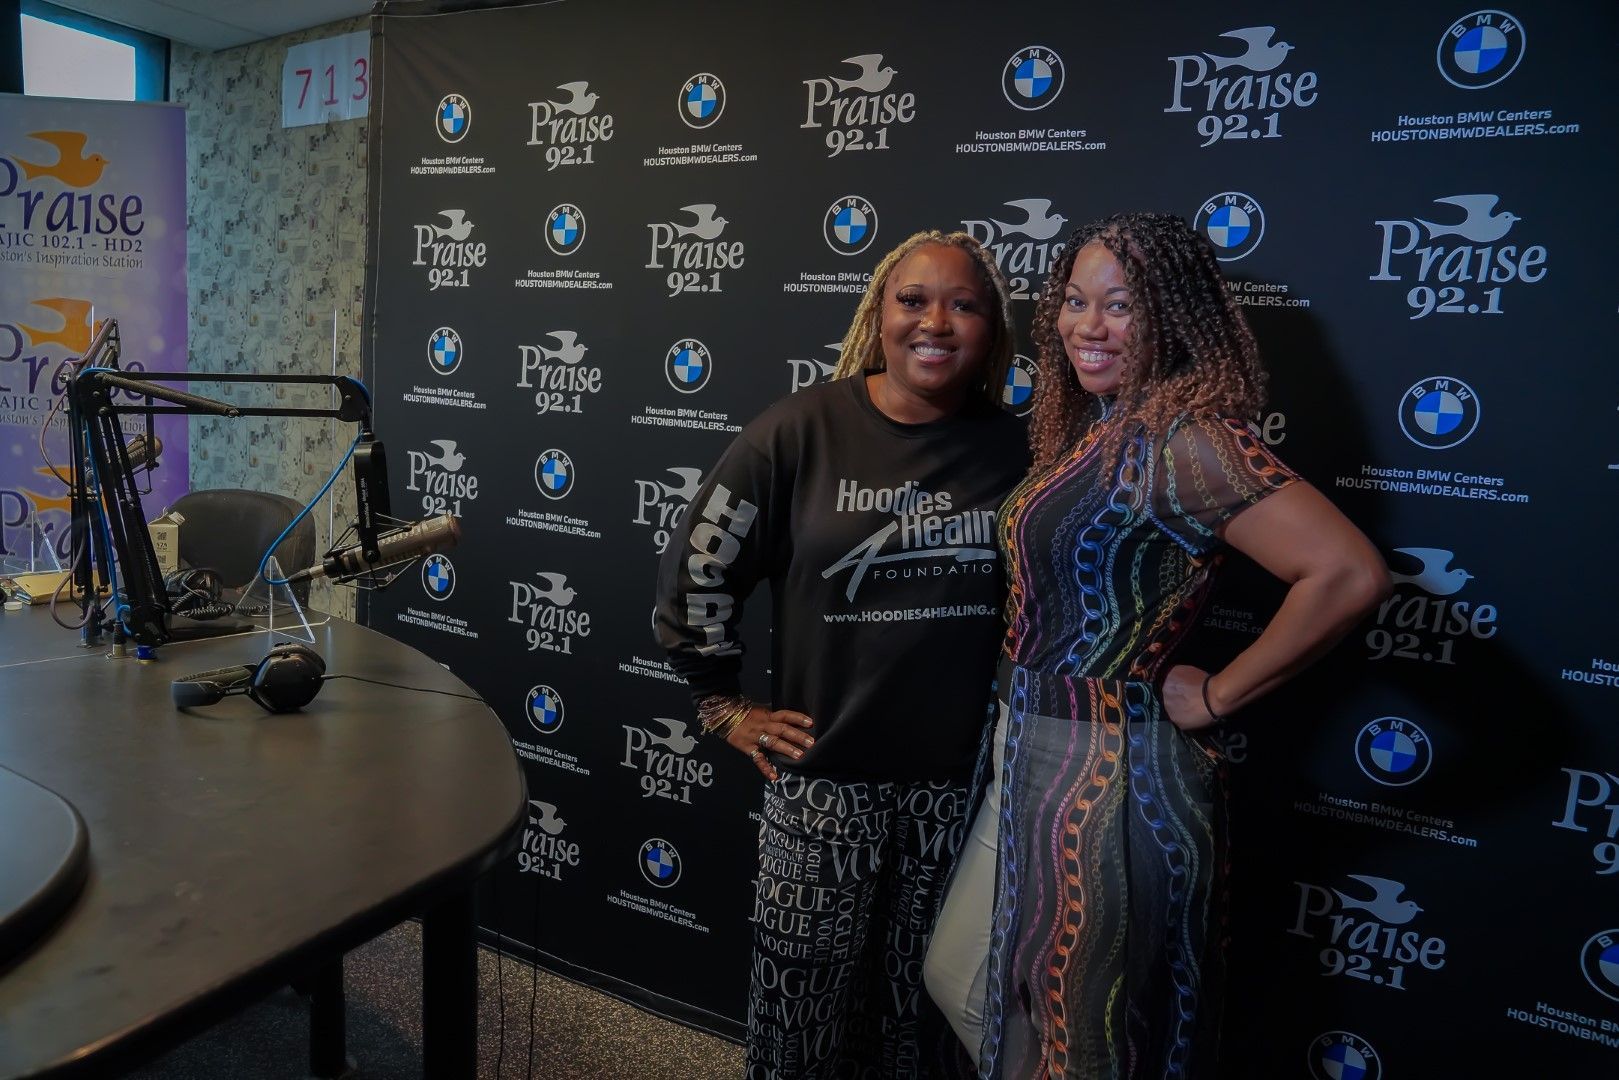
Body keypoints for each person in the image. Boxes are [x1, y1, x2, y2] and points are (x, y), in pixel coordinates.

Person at [921, 212, 1391, 1078]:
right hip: (1028, 749)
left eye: (1120, 306)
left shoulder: (1187, 441)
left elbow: (1346, 572)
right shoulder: (1100, 428)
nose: (1086, 327)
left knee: (1082, 1031)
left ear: (1172, 318)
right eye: (1073, 302)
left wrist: (1216, 696)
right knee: (971, 980)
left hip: (1107, 774)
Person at [654, 230, 1030, 1078]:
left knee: (922, 1017)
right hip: (825, 783)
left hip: (963, 794)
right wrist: (723, 705)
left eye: (963, 304)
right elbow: (697, 571)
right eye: (912, 300)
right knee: (799, 1015)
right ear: (878, 315)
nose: (935, 321)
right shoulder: (796, 432)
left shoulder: (1020, 448)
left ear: (992, 330)